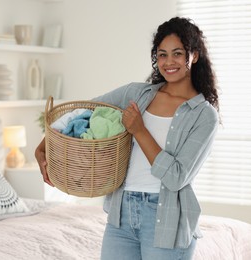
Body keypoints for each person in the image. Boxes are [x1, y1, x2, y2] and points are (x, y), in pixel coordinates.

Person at [35, 16, 219, 260]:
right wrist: (42, 148)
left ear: (193, 55)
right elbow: (83, 111)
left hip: (167, 220)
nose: (169, 62)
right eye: (162, 54)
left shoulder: (204, 115)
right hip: (122, 213)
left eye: (177, 53)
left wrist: (140, 130)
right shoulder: (137, 94)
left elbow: (176, 177)